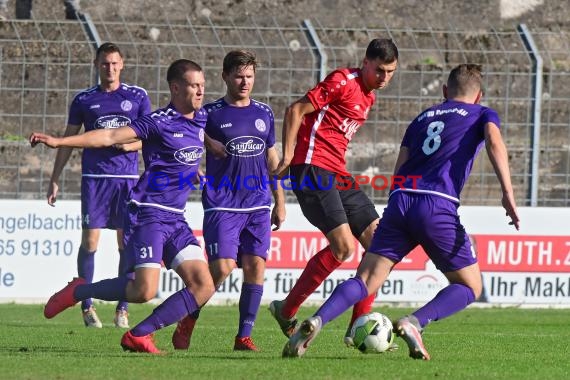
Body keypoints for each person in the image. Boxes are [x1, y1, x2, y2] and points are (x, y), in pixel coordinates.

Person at [281, 64, 520, 360]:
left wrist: (397, 204)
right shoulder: (482, 113)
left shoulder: (421, 118)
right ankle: (414, 321)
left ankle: (317, 320)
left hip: (400, 201)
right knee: (469, 285)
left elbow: (401, 164)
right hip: (437, 204)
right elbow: (495, 142)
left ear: (445, 92)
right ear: (479, 95)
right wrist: (507, 193)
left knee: (366, 279)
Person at [30, 59, 217, 354]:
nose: (200, 91)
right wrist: (60, 141)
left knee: (204, 286)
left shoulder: (203, 117)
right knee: (143, 291)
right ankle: (79, 292)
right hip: (148, 213)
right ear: (176, 87)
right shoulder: (158, 121)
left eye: (203, 86)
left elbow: (191, 148)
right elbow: (109, 135)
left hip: (175, 219)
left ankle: (139, 334)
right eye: (194, 85)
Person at [269, 38, 399, 346]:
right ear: (366, 62)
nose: (384, 78)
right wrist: (288, 156)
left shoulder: (369, 97)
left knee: (381, 246)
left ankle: (357, 328)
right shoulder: (342, 80)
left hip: (337, 173)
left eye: (390, 72)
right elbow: (295, 110)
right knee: (343, 248)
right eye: (379, 70)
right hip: (312, 168)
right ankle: (287, 309)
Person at [171, 50, 286, 352]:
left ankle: (243, 336)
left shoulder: (264, 113)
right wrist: (207, 144)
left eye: (249, 76)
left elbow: (271, 158)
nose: (244, 82)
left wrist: (281, 201)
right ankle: (189, 318)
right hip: (223, 204)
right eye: (238, 76)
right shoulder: (208, 113)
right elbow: (182, 137)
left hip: (258, 204)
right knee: (222, 267)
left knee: (255, 267)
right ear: (224, 77)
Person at [46, 42, 151, 329]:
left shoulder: (137, 96)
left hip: (127, 182)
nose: (110, 68)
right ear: (96, 64)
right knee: (90, 243)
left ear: (122, 64)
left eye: (115, 63)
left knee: (125, 245)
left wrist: (132, 146)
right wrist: (54, 178)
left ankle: (122, 308)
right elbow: (68, 140)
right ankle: (87, 306)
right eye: (105, 63)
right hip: (95, 181)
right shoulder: (84, 100)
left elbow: (151, 137)